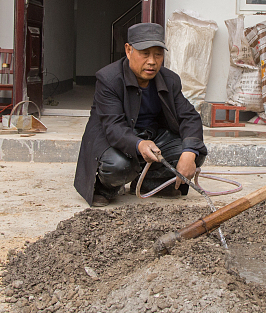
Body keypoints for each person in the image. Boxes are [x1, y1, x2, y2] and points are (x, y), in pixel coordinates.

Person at [74, 22, 207, 207]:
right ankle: (106, 188)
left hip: (151, 136)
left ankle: (148, 183)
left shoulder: (170, 80)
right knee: (118, 166)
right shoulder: (109, 79)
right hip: (114, 138)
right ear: (129, 50)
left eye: (158, 54)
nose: (152, 61)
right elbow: (113, 127)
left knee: (194, 152)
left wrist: (189, 153)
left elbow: (189, 116)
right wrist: (139, 144)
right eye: (145, 54)